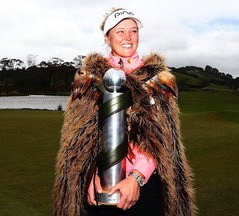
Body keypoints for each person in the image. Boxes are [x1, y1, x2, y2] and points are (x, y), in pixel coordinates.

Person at [54, 8, 196, 216]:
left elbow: (162, 137)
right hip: (96, 188)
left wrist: (137, 177)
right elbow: (80, 141)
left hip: (145, 187)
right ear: (107, 37)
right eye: (120, 31)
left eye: (133, 31)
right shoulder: (89, 78)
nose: (128, 37)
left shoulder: (157, 79)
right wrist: (89, 175)